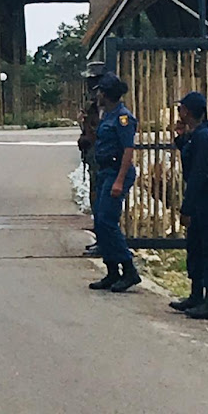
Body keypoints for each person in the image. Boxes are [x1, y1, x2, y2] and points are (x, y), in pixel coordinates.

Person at [89, 72, 142, 292]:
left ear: (106, 94)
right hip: (105, 172)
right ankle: (112, 271)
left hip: (116, 172)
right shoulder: (107, 115)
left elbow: (128, 150)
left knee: (108, 220)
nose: (97, 95)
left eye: (100, 91)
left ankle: (129, 270)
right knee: (100, 222)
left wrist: (119, 181)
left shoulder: (123, 117)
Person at [169, 92, 208, 320]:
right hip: (199, 201)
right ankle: (196, 295)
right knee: (195, 248)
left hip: (206, 202)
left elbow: (198, 175)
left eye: (181, 108)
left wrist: (187, 208)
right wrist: (180, 138)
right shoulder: (196, 135)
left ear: (188, 111)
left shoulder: (205, 138)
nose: (179, 112)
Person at [77, 61, 106, 255]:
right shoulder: (91, 105)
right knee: (95, 198)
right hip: (93, 155)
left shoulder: (106, 106)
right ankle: (100, 239)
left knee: (102, 200)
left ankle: (104, 242)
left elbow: (100, 131)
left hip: (102, 157)